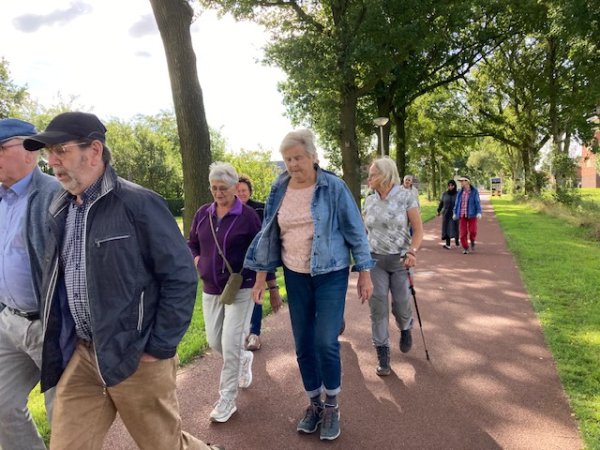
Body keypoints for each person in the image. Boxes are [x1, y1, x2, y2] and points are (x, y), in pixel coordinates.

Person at [23, 112, 223, 450]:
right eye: (47, 153)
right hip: (83, 355)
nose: (51, 161)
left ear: (95, 150)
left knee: (163, 445)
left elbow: (180, 276)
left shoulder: (139, 204)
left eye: (60, 150)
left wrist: (158, 347)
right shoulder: (60, 207)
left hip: (136, 354)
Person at [244, 129, 375, 441]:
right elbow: (268, 233)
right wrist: (262, 278)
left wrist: (365, 272)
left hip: (331, 271)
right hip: (295, 273)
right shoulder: (279, 187)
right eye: (288, 159)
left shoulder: (334, 187)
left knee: (325, 340)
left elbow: (355, 230)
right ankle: (314, 403)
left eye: (298, 158)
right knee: (302, 342)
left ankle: (332, 405)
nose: (292, 164)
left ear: (314, 157)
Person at [187, 163, 268, 423]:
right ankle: (243, 360)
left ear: (235, 187)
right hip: (211, 287)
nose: (218, 193)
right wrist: (197, 259)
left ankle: (227, 399)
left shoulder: (247, 216)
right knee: (214, 342)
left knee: (230, 344)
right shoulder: (203, 214)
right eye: (214, 188)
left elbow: (260, 251)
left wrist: (263, 283)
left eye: (223, 188)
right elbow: (192, 243)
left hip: (240, 286)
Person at [0, 119, 60, 450]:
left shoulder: (56, 195)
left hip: (50, 326)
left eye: (0, 149)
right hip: (8, 321)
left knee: (64, 417)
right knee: (2, 406)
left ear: (28, 151)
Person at [363, 157, 423, 376]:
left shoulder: (406, 197)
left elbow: (418, 230)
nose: (368, 178)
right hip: (375, 261)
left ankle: (405, 327)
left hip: (400, 262)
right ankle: (382, 354)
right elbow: (363, 232)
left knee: (400, 304)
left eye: (373, 174)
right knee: (377, 308)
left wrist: (412, 252)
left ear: (386, 175)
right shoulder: (368, 201)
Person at [236, 175, 282, 351]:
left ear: (250, 191)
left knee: (255, 296)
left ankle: (254, 334)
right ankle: (240, 334)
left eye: (244, 190)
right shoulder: (227, 211)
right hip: (234, 265)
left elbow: (267, 244)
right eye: (238, 190)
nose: (241, 194)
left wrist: (273, 287)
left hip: (256, 262)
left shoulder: (261, 210)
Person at [453, 175, 482, 255]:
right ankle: (465, 247)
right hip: (462, 214)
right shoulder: (460, 192)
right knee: (463, 233)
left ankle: (472, 241)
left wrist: (479, 212)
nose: (461, 183)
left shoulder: (474, 191)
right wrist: (455, 212)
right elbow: (457, 203)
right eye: (460, 181)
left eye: (462, 181)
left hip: (472, 214)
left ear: (467, 181)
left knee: (473, 231)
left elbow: (477, 202)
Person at [437, 179, 460, 249]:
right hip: (446, 214)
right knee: (446, 228)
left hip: (454, 214)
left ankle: (457, 242)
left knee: (455, 227)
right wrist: (439, 210)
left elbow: (460, 204)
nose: (450, 187)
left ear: (454, 186)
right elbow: (441, 203)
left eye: (452, 185)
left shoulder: (457, 194)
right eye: (449, 185)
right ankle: (448, 244)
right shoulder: (445, 194)